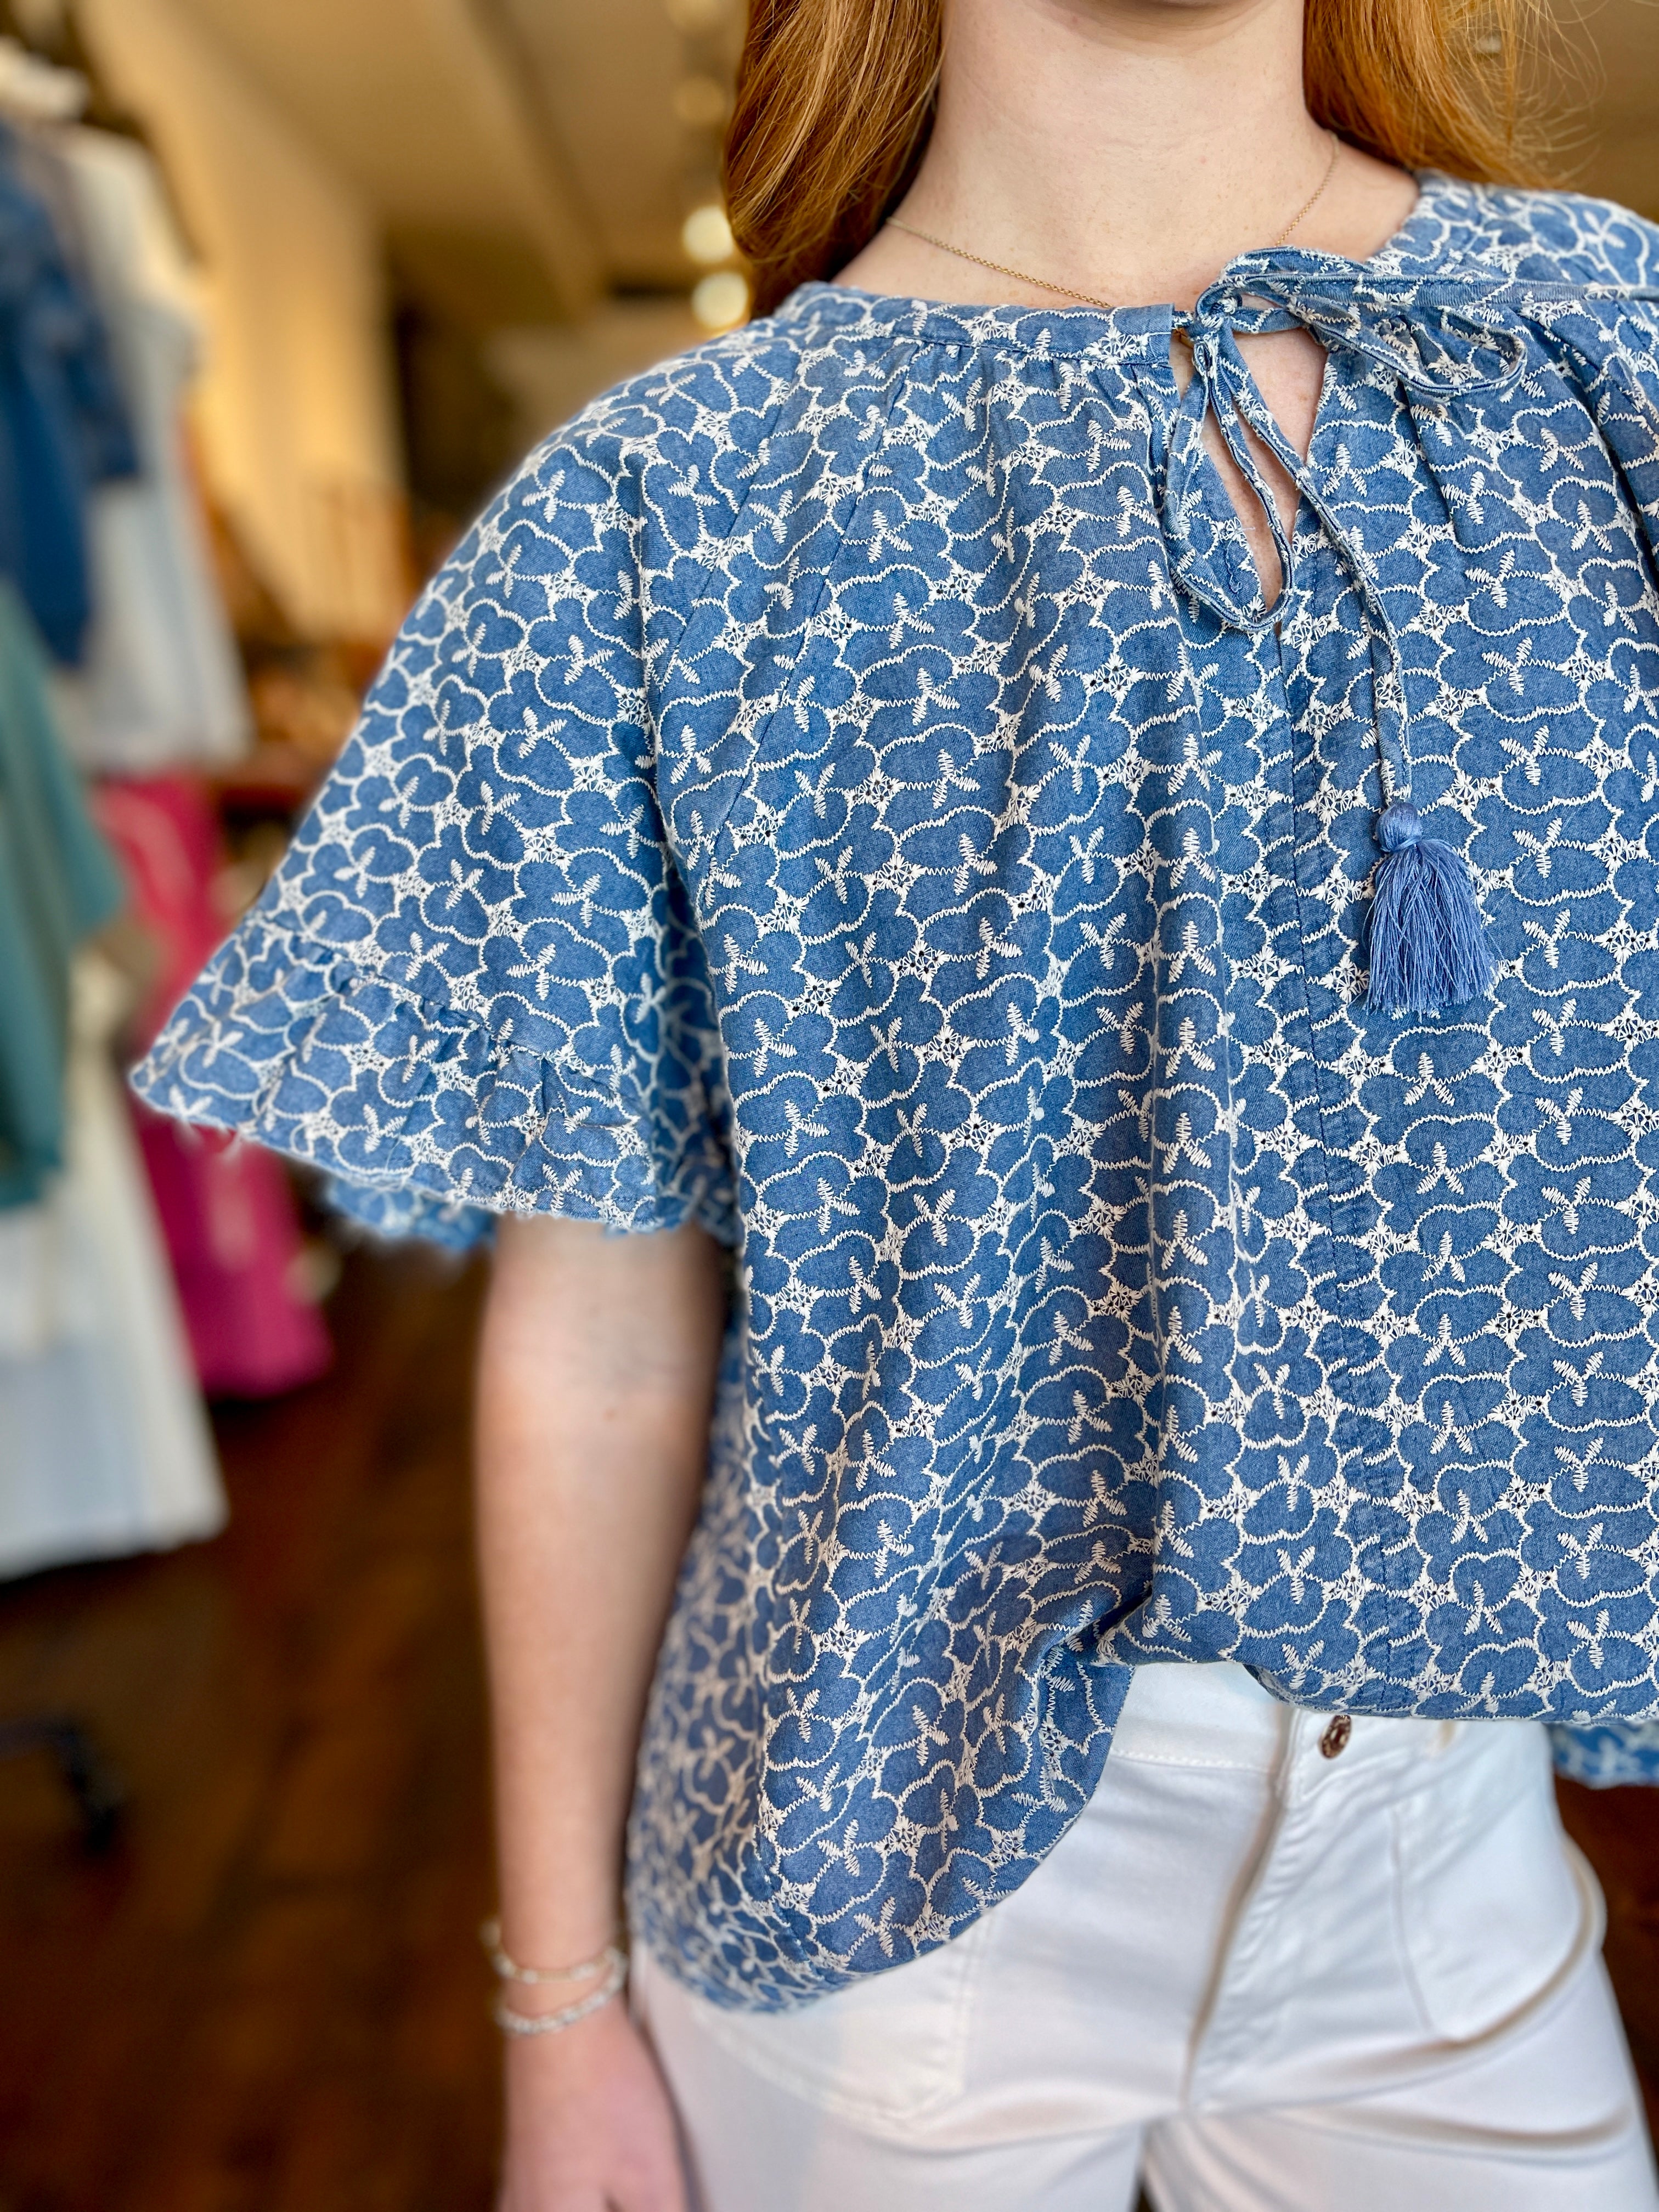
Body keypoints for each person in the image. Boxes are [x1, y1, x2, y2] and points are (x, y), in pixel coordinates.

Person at [133, 0, 1659, 2201]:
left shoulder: (1595, 354)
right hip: (874, 1880)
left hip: (1445, 1864)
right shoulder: (657, 513)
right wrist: (558, 2008)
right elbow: (600, 1339)